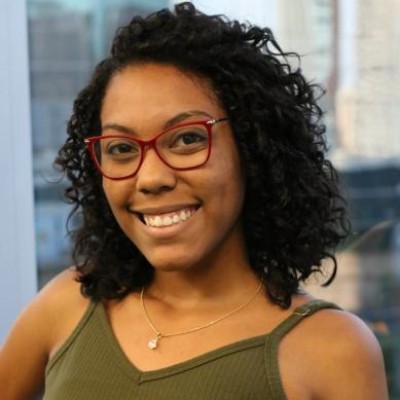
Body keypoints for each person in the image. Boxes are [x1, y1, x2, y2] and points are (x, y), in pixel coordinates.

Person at [0, 2, 388, 399]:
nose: (151, 178)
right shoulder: (69, 304)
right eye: (121, 148)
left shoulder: (331, 349)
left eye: (187, 139)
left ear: (252, 148)